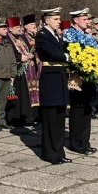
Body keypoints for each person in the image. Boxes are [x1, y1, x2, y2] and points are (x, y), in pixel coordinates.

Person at [34, 8, 70, 164]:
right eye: (55, 19)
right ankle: (50, 153)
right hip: (50, 79)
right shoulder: (42, 35)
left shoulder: (56, 35)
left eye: (58, 19)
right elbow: (51, 52)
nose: (58, 21)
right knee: (50, 118)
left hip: (59, 78)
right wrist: (68, 56)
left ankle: (59, 151)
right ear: (47, 20)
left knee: (60, 118)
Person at [66, 8, 98, 154]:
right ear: (76, 20)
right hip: (77, 78)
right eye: (84, 19)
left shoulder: (87, 35)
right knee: (78, 110)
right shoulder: (69, 34)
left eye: (88, 19)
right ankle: (77, 143)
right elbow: (72, 55)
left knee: (87, 110)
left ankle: (85, 141)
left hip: (90, 76)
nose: (88, 22)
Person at [4, 15, 36, 128]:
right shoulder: (7, 39)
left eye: (19, 26)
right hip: (15, 70)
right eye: (16, 26)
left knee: (25, 95)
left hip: (26, 70)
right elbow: (9, 54)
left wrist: (29, 55)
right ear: (10, 28)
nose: (19, 28)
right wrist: (20, 58)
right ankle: (15, 119)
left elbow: (26, 49)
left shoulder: (21, 38)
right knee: (17, 95)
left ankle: (26, 117)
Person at [0, 18, 17, 129]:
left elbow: (12, 60)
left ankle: (1, 121)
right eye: (3, 28)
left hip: (7, 75)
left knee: (3, 100)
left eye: (6, 28)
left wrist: (13, 74)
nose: (5, 30)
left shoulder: (7, 43)